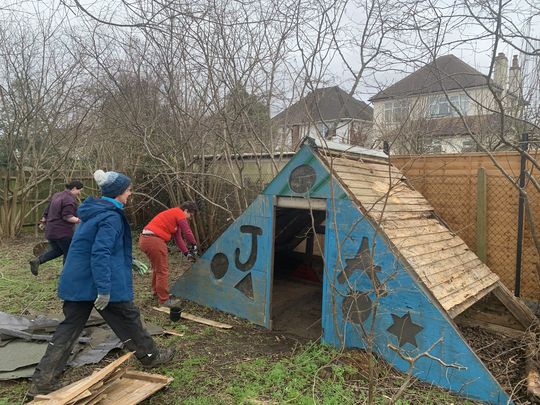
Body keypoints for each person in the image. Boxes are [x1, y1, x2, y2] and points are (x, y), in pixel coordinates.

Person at [28, 169, 174, 396]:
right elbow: (99, 252)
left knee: (69, 329)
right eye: (128, 190)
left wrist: (129, 259)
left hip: (78, 281)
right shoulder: (111, 216)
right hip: (99, 283)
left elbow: (92, 245)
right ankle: (151, 357)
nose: (130, 194)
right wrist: (104, 290)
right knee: (128, 318)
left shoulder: (93, 212)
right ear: (117, 193)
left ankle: (43, 381)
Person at [139, 202, 199, 307]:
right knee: (163, 270)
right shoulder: (179, 213)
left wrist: (186, 253)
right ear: (185, 210)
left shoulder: (174, 216)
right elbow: (187, 232)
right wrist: (194, 244)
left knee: (158, 269)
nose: (190, 218)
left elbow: (178, 239)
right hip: (154, 240)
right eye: (191, 215)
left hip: (146, 239)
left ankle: (157, 292)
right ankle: (164, 300)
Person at [29, 180, 84, 276]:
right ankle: (66, 277)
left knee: (58, 251)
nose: (79, 193)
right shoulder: (69, 199)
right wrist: (81, 220)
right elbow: (67, 217)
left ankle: (37, 261)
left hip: (51, 231)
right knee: (69, 254)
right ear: (74, 188)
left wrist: (43, 221)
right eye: (79, 190)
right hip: (63, 233)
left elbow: (46, 211)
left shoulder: (57, 195)